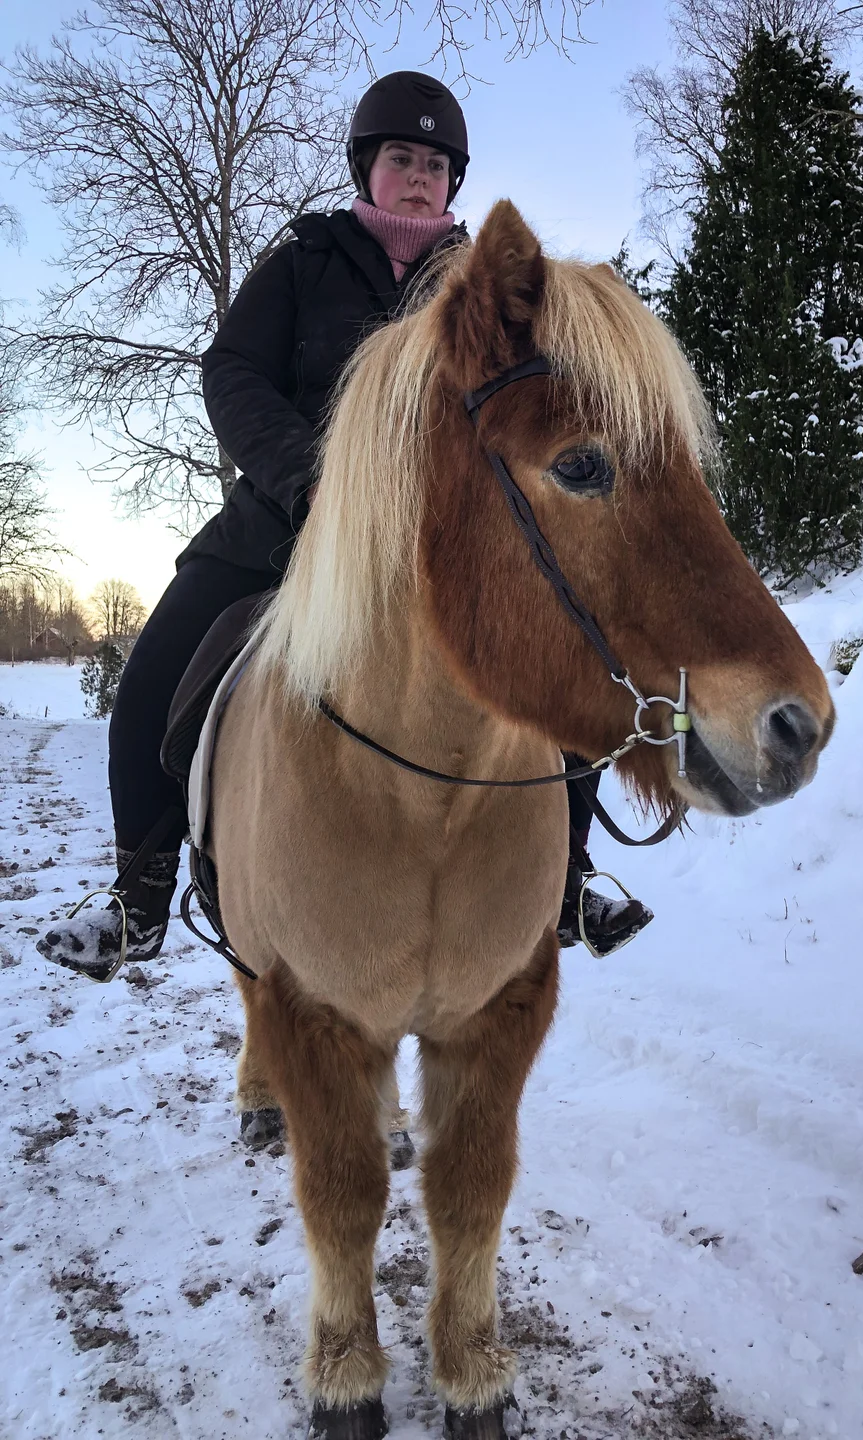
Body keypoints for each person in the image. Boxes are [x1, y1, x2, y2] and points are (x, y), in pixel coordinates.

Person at [37, 71, 651, 979]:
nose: (419, 175)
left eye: (437, 163)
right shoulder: (302, 262)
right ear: (368, 167)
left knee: (565, 665)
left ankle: (565, 885)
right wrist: (309, 477)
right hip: (288, 525)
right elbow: (234, 376)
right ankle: (138, 897)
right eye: (402, 157)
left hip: (446, 546)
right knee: (152, 680)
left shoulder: (485, 286)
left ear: (455, 180)